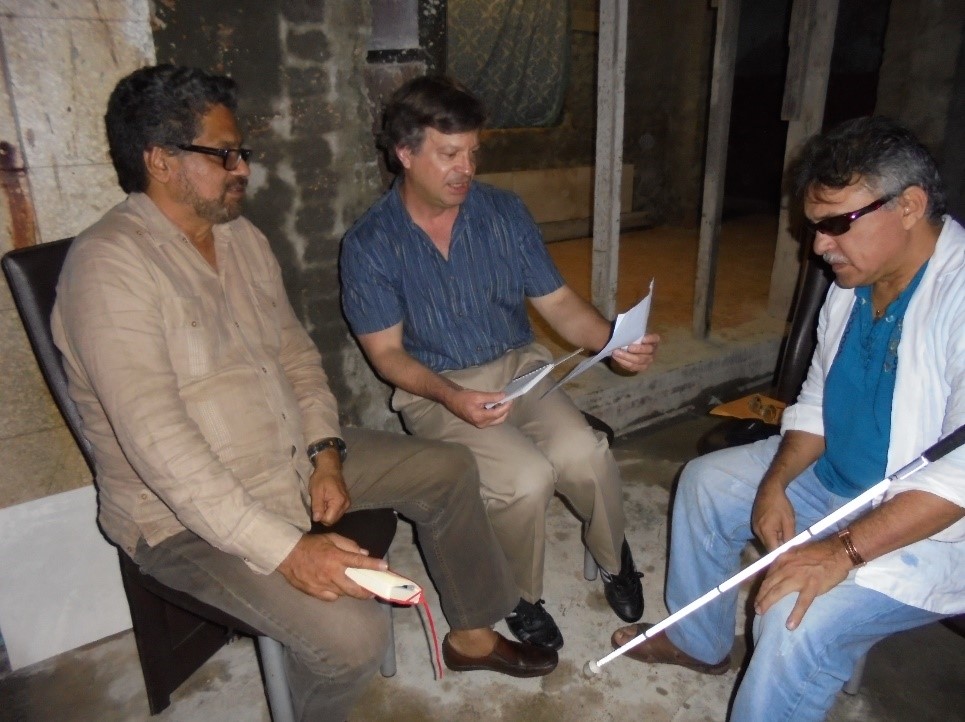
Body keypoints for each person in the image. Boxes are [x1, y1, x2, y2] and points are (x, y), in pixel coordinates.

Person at [51, 64, 557, 722]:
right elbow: (158, 446)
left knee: (447, 467)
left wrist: (324, 450)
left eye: (242, 152)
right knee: (352, 634)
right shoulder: (108, 270)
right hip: (181, 518)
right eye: (224, 153)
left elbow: (295, 352)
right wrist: (287, 551)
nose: (242, 168)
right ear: (160, 160)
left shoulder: (240, 239)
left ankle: (470, 636)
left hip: (288, 454)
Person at [610, 116, 965, 721]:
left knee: (793, 615)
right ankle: (701, 643)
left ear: (909, 205)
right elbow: (818, 398)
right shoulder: (854, 279)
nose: (819, 246)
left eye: (835, 225)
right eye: (813, 228)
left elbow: (958, 479)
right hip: (839, 482)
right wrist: (776, 482)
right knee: (706, 484)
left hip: (928, 528)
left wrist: (839, 552)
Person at [340, 74, 661, 651]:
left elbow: (559, 304)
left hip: (518, 370)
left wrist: (614, 340)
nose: (466, 167)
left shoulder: (503, 213)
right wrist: (450, 397)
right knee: (524, 479)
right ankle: (518, 594)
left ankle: (615, 559)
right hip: (436, 389)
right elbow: (387, 355)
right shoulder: (370, 245)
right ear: (405, 153)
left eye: (473, 152)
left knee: (585, 453)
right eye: (449, 154)